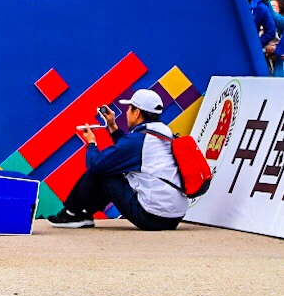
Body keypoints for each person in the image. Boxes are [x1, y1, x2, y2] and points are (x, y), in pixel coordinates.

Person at [49, 89, 188, 230]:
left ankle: (72, 214)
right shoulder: (165, 134)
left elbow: (95, 165)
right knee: (111, 168)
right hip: (175, 216)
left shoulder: (139, 140)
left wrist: (91, 144)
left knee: (102, 172)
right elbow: (129, 151)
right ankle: (83, 215)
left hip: (151, 217)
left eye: (129, 108)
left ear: (137, 113)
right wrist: (112, 126)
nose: (127, 113)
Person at [242, 0, 278, 75]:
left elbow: (271, 31)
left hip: (250, 54)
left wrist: (256, 44)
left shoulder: (260, 7)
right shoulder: (231, 1)